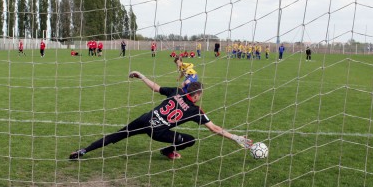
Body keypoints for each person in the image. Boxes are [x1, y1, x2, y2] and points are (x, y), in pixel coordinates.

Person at [69, 72, 252, 160]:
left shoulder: (176, 91)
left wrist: (141, 76)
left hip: (144, 119)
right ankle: (167, 151)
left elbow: (155, 87)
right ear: (196, 96)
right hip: (158, 132)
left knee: (117, 135)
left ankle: (83, 151)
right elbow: (214, 129)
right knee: (189, 140)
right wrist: (236, 138)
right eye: (200, 95)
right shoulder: (196, 111)